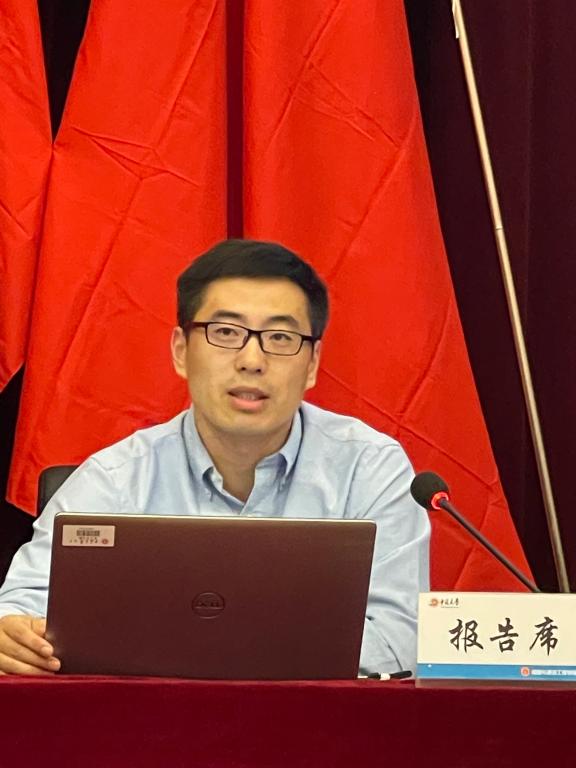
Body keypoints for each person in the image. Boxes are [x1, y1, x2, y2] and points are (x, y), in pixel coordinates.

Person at [0, 239, 430, 676]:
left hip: (315, 718)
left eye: (280, 338)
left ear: (313, 363)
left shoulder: (368, 469)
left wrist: (210, 650)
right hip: (149, 717)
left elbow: (400, 638)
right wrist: (14, 636)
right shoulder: (116, 479)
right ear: (181, 351)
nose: (252, 360)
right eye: (225, 333)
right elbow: (19, 607)